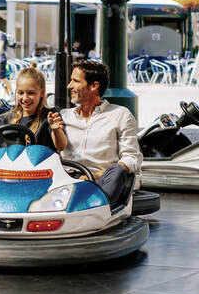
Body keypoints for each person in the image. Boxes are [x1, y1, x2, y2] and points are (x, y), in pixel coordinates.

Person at [53, 60, 143, 206]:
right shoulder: (64, 116)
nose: (69, 86)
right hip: (67, 179)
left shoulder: (120, 115)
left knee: (117, 171)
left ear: (94, 86)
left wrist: (96, 176)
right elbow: (55, 151)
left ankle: (96, 206)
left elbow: (132, 158)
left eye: (76, 81)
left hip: (101, 180)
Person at [0, 67, 67, 157]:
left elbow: (61, 146)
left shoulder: (49, 117)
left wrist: (56, 129)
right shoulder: (5, 119)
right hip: (11, 172)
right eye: (20, 93)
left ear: (42, 92)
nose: (25, 98)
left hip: (40, 172)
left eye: (31, 93)